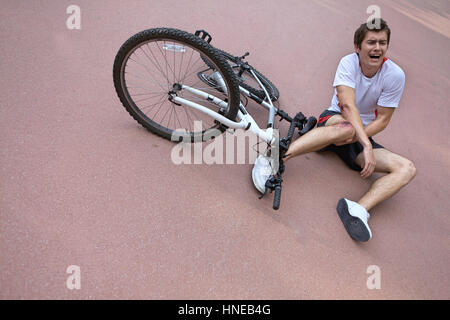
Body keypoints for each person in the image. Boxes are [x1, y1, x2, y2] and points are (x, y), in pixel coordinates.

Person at [252, 19, 416, 242]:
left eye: (382, 43)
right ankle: (276, 157)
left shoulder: (395, 75)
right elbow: (348, 106)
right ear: (358, 47)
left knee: (407, 169)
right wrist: (366, 144)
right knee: (347, 128)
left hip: (359, 136)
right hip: (335, 122)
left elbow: (384, 118)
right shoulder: (348, 63)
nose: (377, 48)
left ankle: (358, 210)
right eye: (371, 42)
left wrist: (364, 140)